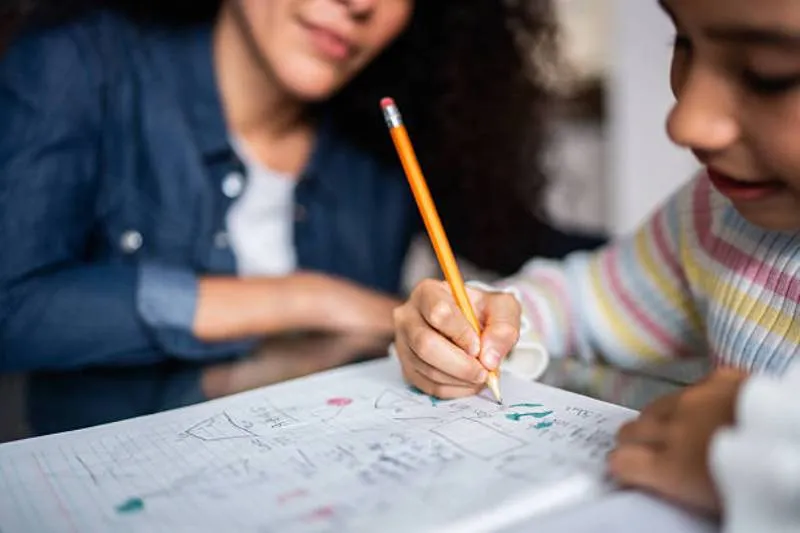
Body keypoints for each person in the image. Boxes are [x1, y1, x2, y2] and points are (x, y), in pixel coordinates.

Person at [0, 0, 603, 371]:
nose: (359, 3)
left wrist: (661, 250)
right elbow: (13, 309)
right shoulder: (77, 64)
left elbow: (534, 248)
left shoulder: (396, 131)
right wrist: (309, 297)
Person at [393, 0, 800, 529]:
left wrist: (768, 456)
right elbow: (578, 304)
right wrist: (476, 323)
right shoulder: (716, 215)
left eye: (769, 73)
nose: (684, 122)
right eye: (682, 42)